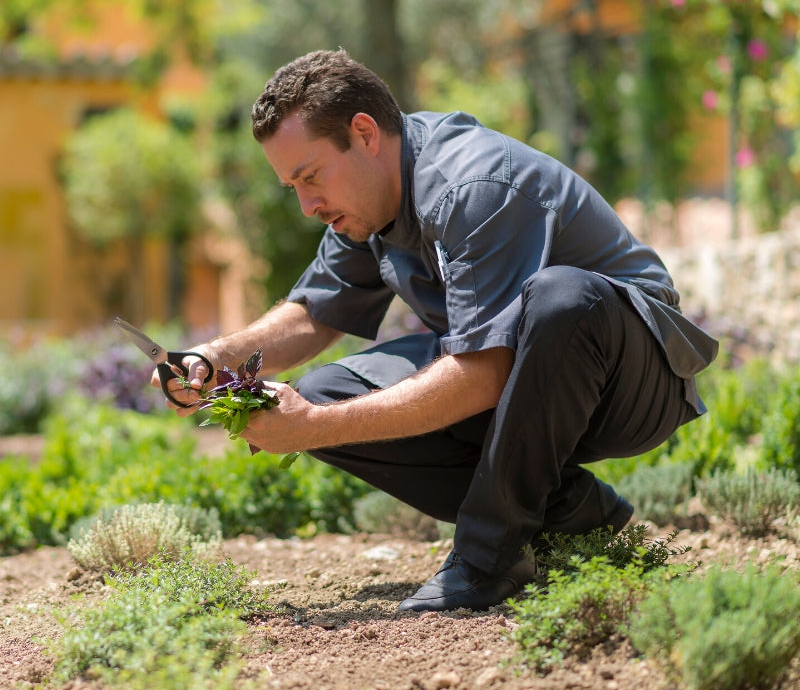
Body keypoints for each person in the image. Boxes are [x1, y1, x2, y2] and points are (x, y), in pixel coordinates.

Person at [157, 48, 718, 613]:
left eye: (310, 177)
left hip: (632, 376)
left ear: (364, 133)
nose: (307, 205)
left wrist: (312, 428)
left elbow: (481, 375)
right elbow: (314, 311)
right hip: (522, 379)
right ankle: (574, 517)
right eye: (292, 187)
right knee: (332, 391)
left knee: (560, 298)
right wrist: (213, 357)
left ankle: (488, 558)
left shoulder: (471, 186)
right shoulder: (368, 199)